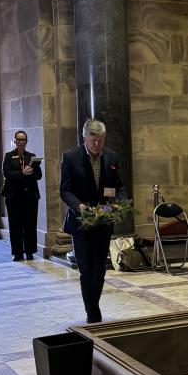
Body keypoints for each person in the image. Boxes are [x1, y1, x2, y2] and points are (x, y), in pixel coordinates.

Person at [60, 118, 127, 323]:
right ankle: (93, 313)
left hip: (103, 219)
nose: (97, 144)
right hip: (81, 221)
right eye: (93, 140)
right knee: (86, 270)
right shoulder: (71, 158)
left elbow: (119, 186)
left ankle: (93, 310)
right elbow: (65, 190)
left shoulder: (111, 157)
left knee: (99, 269)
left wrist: (120, 202)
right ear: (85, 138)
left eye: (101, 140)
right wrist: (79, 206)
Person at [1, 130, 42, 261]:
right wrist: (22, 173)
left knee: (30, 225)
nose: (21, 142)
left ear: (26, 142)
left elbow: (39, 175)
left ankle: (30, 252)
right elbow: (6, 173)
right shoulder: (9, 156)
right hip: (14, 196)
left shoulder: (32, 156)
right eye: (18, 140)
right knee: (15, 225)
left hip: (30, 196)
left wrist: (31, 172)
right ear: (15, 141)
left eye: (23, 140)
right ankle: (17, 253)